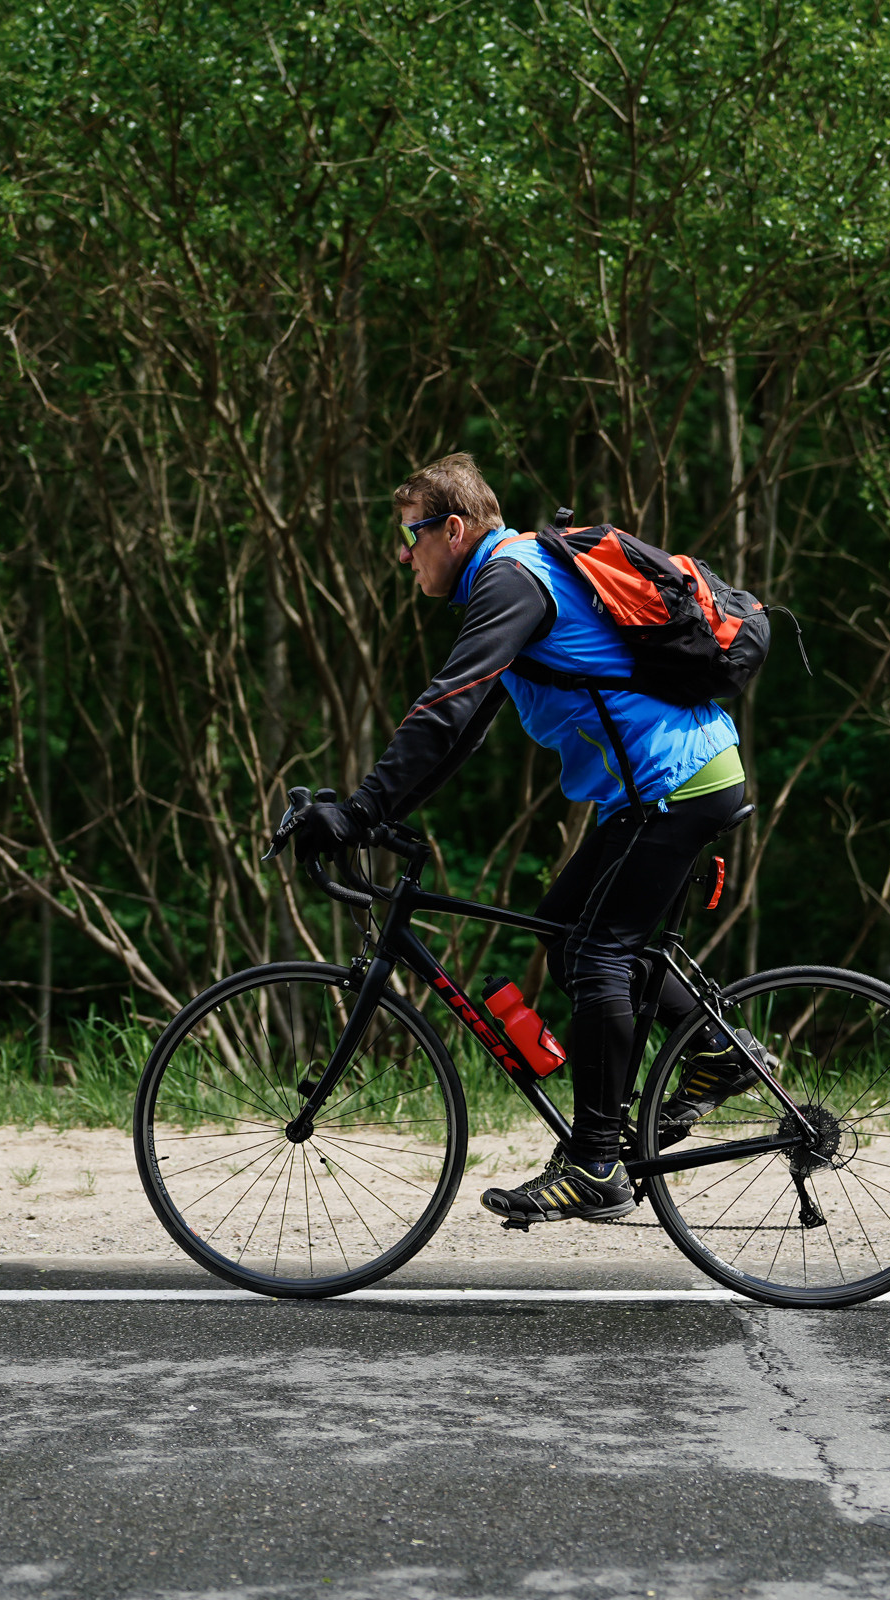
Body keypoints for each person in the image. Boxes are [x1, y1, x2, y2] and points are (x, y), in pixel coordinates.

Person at [287, 453, 756, 1224]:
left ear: (455, 528)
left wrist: (363, 809)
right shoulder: (514, 576)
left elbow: (446, 703)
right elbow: (464, 727)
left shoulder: (509, 578)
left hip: (676, 783)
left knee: (594, 954)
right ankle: (715, 1051)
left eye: (410, 536)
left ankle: (597, 1164)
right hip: (662, 785)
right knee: (570, 928)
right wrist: (376, 812)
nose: (403, 556)